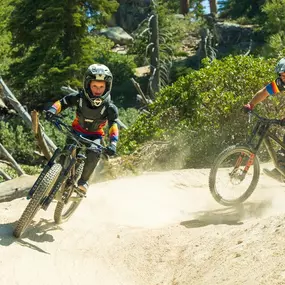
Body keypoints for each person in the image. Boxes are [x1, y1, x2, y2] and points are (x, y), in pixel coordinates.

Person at [45, 64, 119, 194]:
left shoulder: (110, 107)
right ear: (87, 84)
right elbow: (63, 102)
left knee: (94, 152)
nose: (98, 90)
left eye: (101, 87)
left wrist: (113, 143)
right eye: (94, 86)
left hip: (95, 136)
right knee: (65, 158)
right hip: (76, 131)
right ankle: (59, 178)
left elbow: (113, 125)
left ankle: (83, 182)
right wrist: (52, 110)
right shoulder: (79, 98)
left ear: (107, 87)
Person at [244, 57, 285, 182]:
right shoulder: (280, 83)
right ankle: (282, 169)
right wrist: (251, 104)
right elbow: (264, 92)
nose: (283, 77)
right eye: (282, 75)